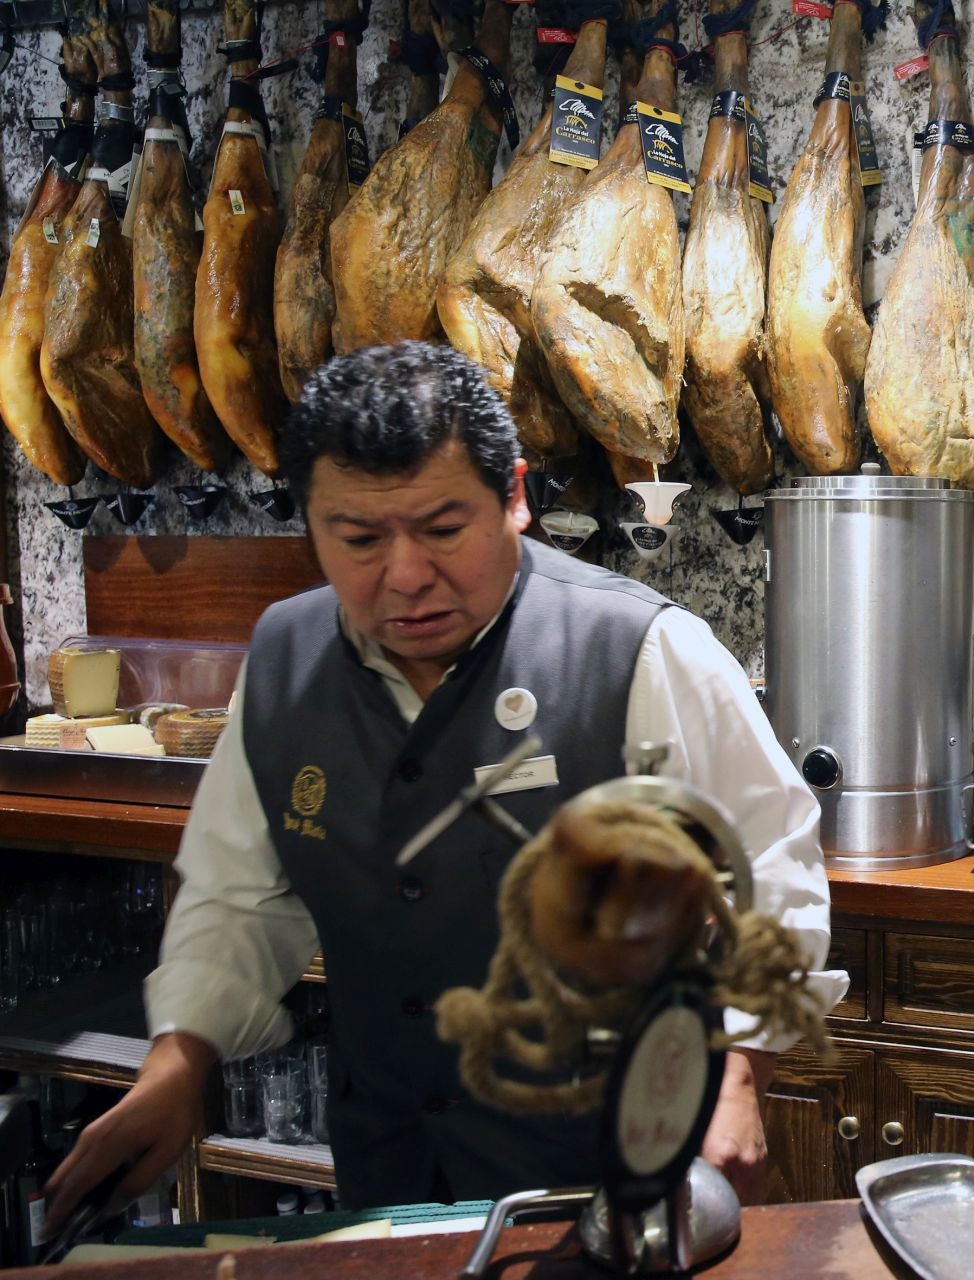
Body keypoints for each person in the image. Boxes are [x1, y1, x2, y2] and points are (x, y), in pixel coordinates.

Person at [44, 342, 846, 1224]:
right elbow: (238, 897)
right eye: (357, 539)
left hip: (623, 1166)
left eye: (442, 528)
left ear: (515, 500)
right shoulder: (283, 661)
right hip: (390, 1171)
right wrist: (176, 1068)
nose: (406, 575)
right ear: (309, 523)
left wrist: (742, 1077)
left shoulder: (640, 649)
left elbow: (770, 866)